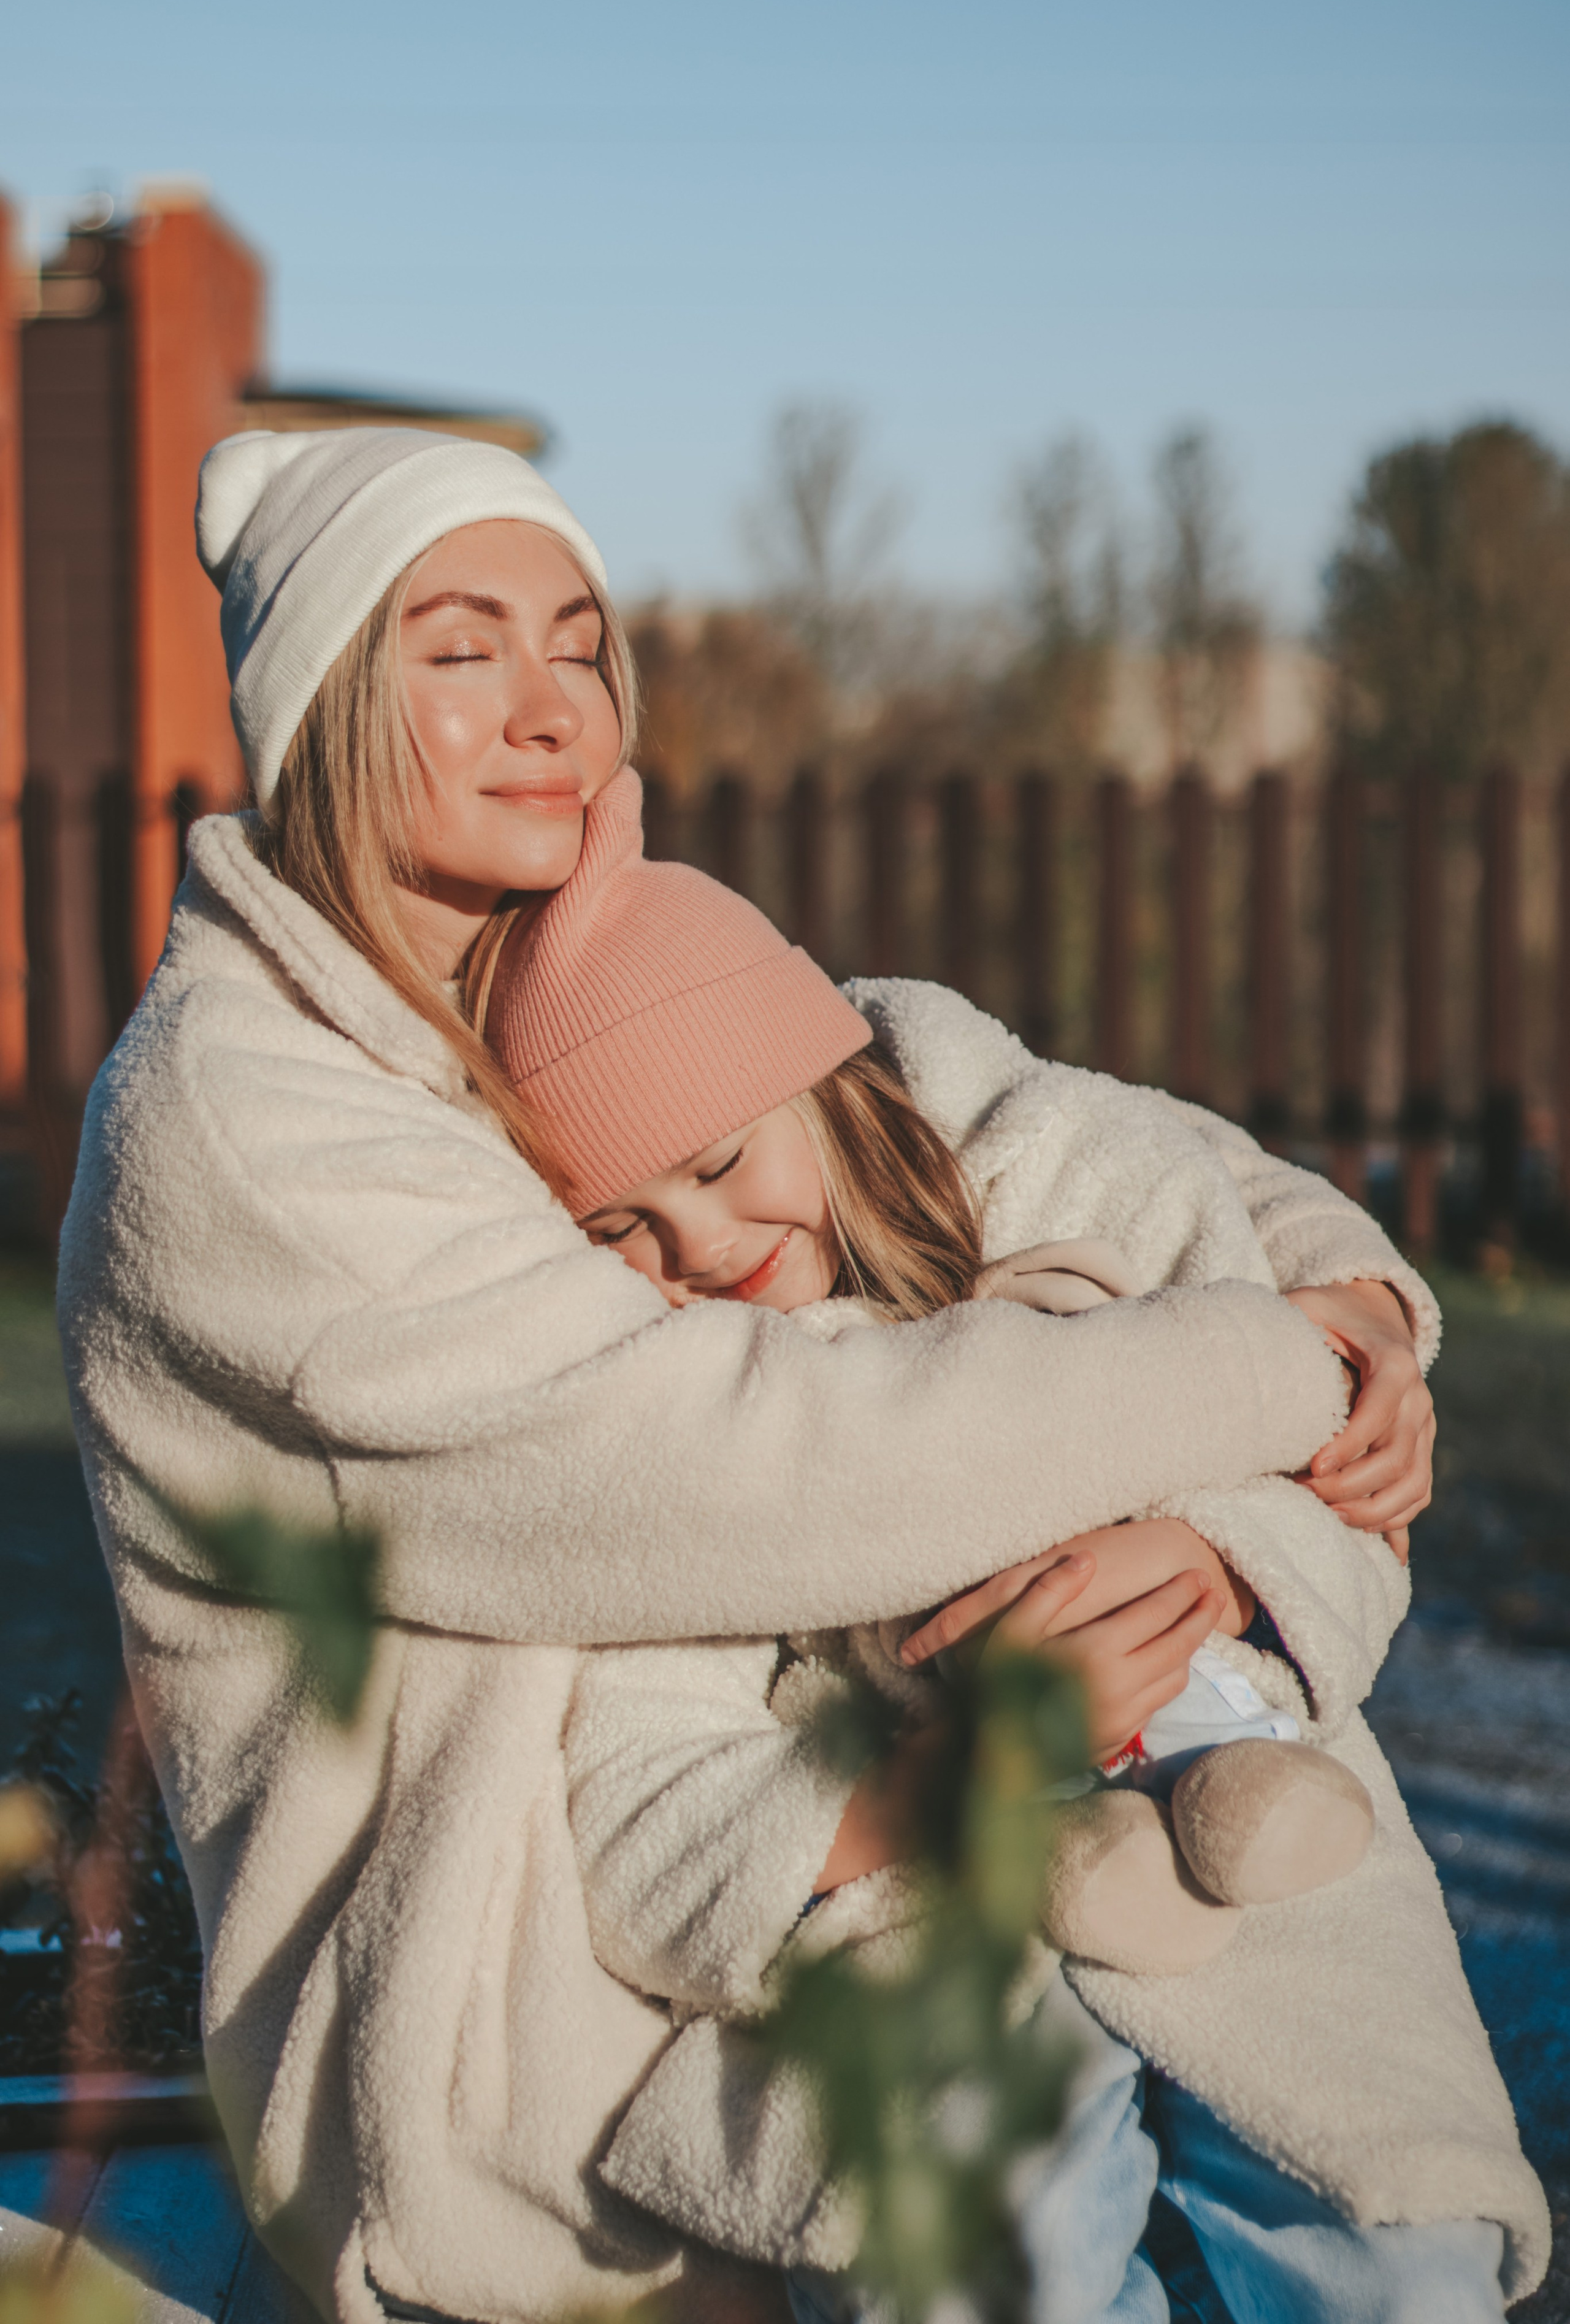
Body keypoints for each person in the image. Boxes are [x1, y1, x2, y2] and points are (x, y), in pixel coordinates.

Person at [56, 426, 1472, 2324]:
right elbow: (741, 1466)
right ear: (317, 704)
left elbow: (1049, 1141)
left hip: (836, 1900)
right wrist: (1267, 1380)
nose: (549, 707)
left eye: (580, 643)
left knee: (1347, 2162)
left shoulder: (568, 974)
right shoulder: (248, 1121)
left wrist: (1324, 1362)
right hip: (537, 2067)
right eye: (459, 651)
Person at [472, 773, 1545, 2322]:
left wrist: (1228, 1561)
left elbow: (1334, 1496)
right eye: (619, 1232)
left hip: (1236, 1810)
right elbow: (650, 1817)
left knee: (1394, 2253)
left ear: (819, 1076)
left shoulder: (1075, 1182)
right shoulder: (666, 1425)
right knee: (997, 2262)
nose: (698, 1250)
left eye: (715, 1165)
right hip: (929, 1915)